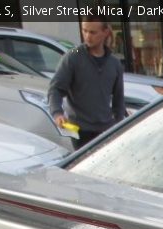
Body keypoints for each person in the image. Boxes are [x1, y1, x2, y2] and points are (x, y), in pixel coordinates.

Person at [48, 19, 125, 149]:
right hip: (79, 130)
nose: (88, 36)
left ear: (105, 32)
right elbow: (55, 89)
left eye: (93, 32)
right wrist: (57, 113)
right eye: (85, 31)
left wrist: (120, 124)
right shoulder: (73, 56)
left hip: (107, 130)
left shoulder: (114, 63)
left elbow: (119, 99)